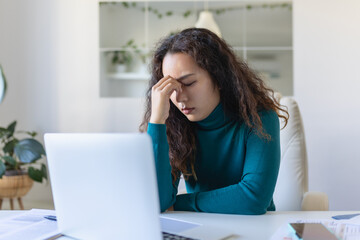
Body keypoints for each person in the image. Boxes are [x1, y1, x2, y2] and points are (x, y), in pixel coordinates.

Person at [140, 28, 289, 215]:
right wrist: (157, 121)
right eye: (171, 88)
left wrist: (179, 203)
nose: (180, 97)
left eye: (189, 83)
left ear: (219, 77)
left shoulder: (260, 118)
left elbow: (254, 198)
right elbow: (156, 201)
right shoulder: (174, 124)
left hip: (255, 228)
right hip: (201, 227)